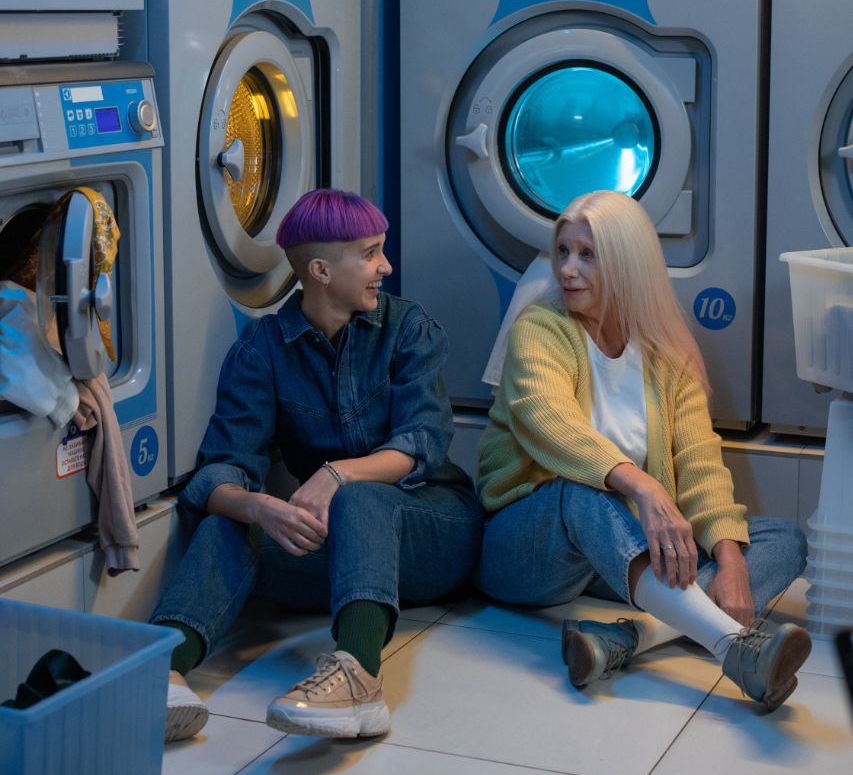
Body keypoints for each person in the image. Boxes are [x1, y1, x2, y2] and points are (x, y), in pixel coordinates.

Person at [153, 189, 483, 743]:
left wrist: (336, 473)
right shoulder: (264, 351)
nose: (386, 266)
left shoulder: (407, 329)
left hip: (433, 531)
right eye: (372, 253)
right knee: (230, 520)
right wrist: (261, 507)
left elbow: (422, 442)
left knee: (358, 493)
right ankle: (158, 672)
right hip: (340, 549)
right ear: (322, 270)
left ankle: (359, 678)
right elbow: (218, 472)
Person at [477, 189, 810, 710]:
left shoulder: (663, 357)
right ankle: (732, 647)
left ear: (628, 262)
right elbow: (550, 422)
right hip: (529, 548)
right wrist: (643, 483)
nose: (566, 269)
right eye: (562, 251)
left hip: (624, 554)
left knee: (780, 539)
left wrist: (729, 559)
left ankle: (628, 637)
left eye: (588, 255)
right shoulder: (539, 330)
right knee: (579, 493)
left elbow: (700, 464)